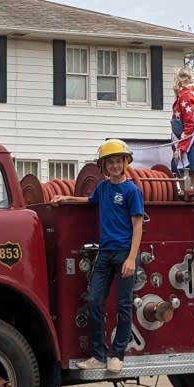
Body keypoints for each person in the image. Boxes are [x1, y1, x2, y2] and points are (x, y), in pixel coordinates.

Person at [50, 139, 144, 373]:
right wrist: (66, 199)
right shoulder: (102, 188)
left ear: (125, 163)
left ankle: (118, 355)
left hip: (124, 254)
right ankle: (98, 355)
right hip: (104, 254)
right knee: (93, 301)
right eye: (109, 162)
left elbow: (138, 225)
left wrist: (132, 258)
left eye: (117, 161)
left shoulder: (132, 191)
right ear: (103, 166)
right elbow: (88, 200)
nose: (114, 166)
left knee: (123, 305)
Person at [170, 67, 194, 189]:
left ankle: (183, 194)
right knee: (193, 173)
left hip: (191, 140)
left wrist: (180, 148)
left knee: (184, 169)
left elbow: (190, 125)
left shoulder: (185, 96)